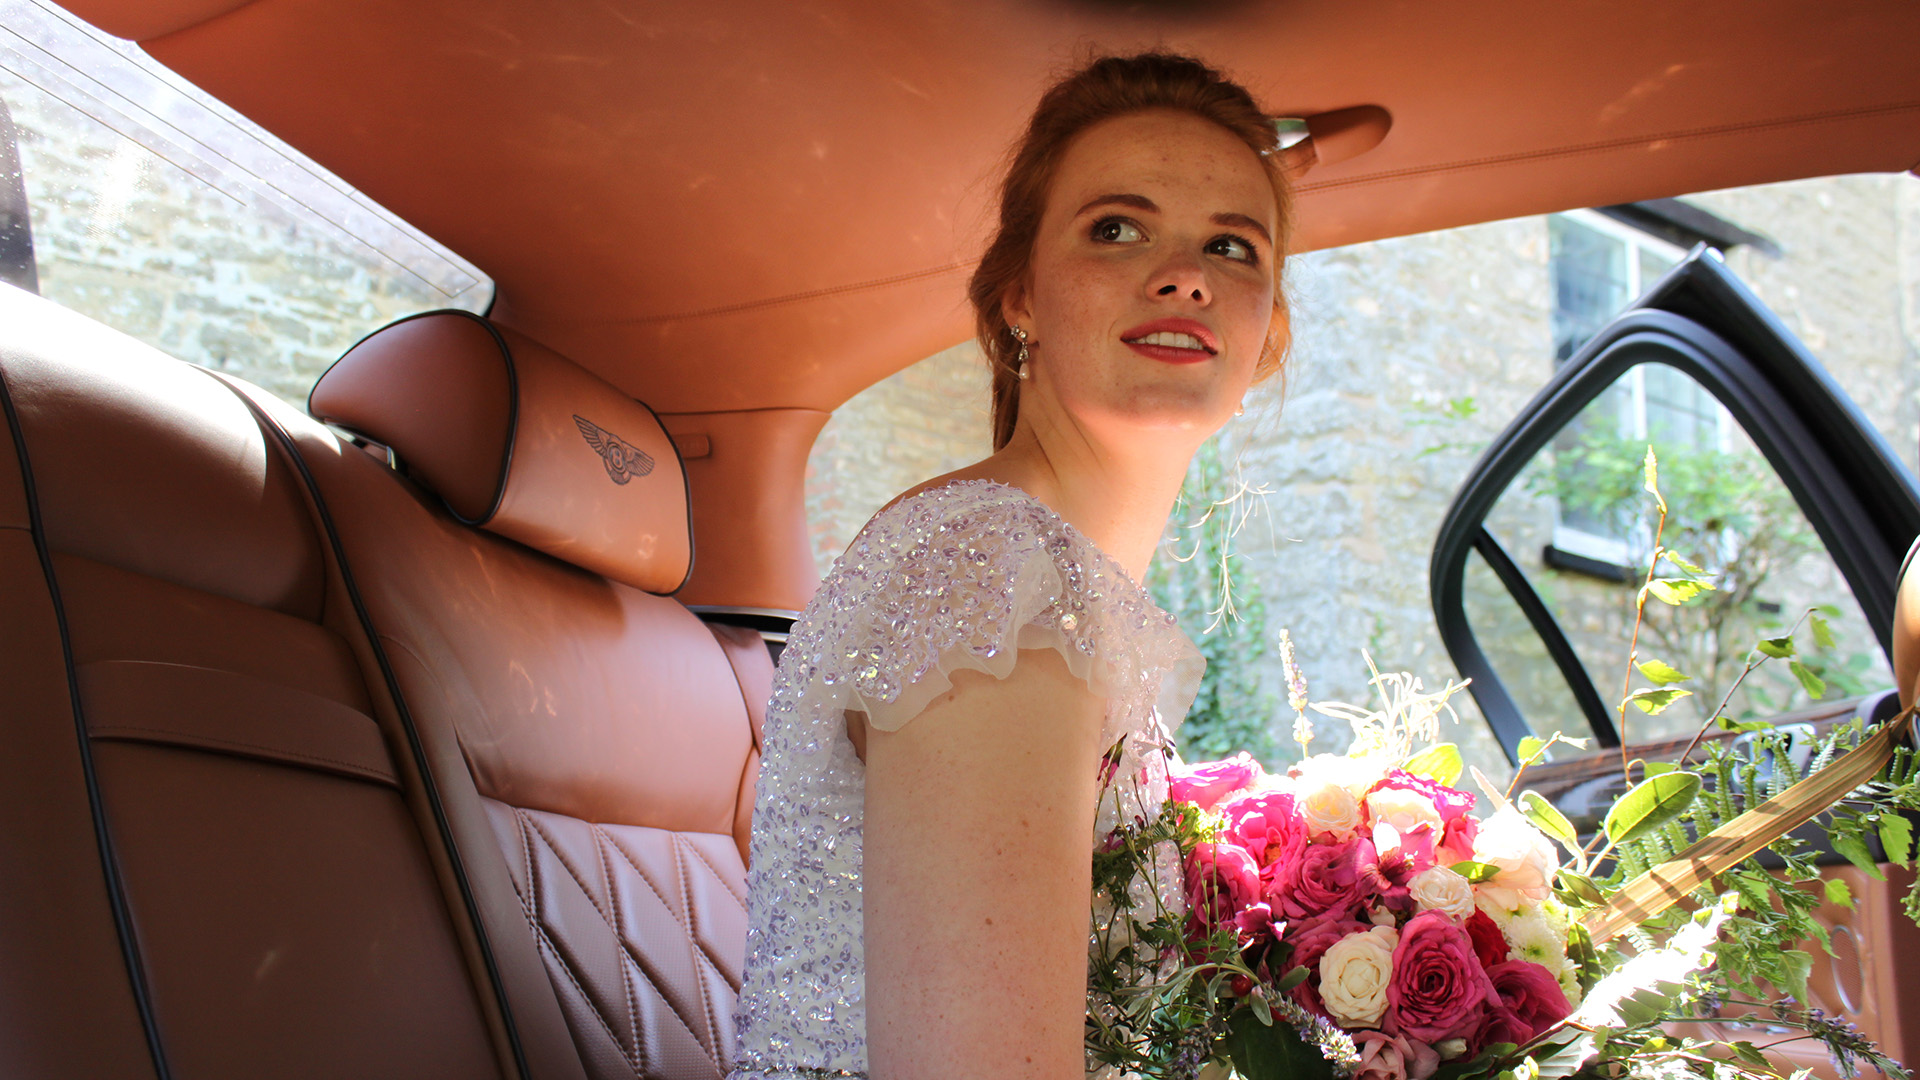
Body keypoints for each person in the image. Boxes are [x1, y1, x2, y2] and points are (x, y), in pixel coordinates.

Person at [728, 52, 1294, 1080]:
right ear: (1019, 296)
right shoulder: (988, 568)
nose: (1186, 274)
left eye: (1231, 245)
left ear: (1267, 339)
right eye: (1116, 229)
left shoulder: (1055, 584)